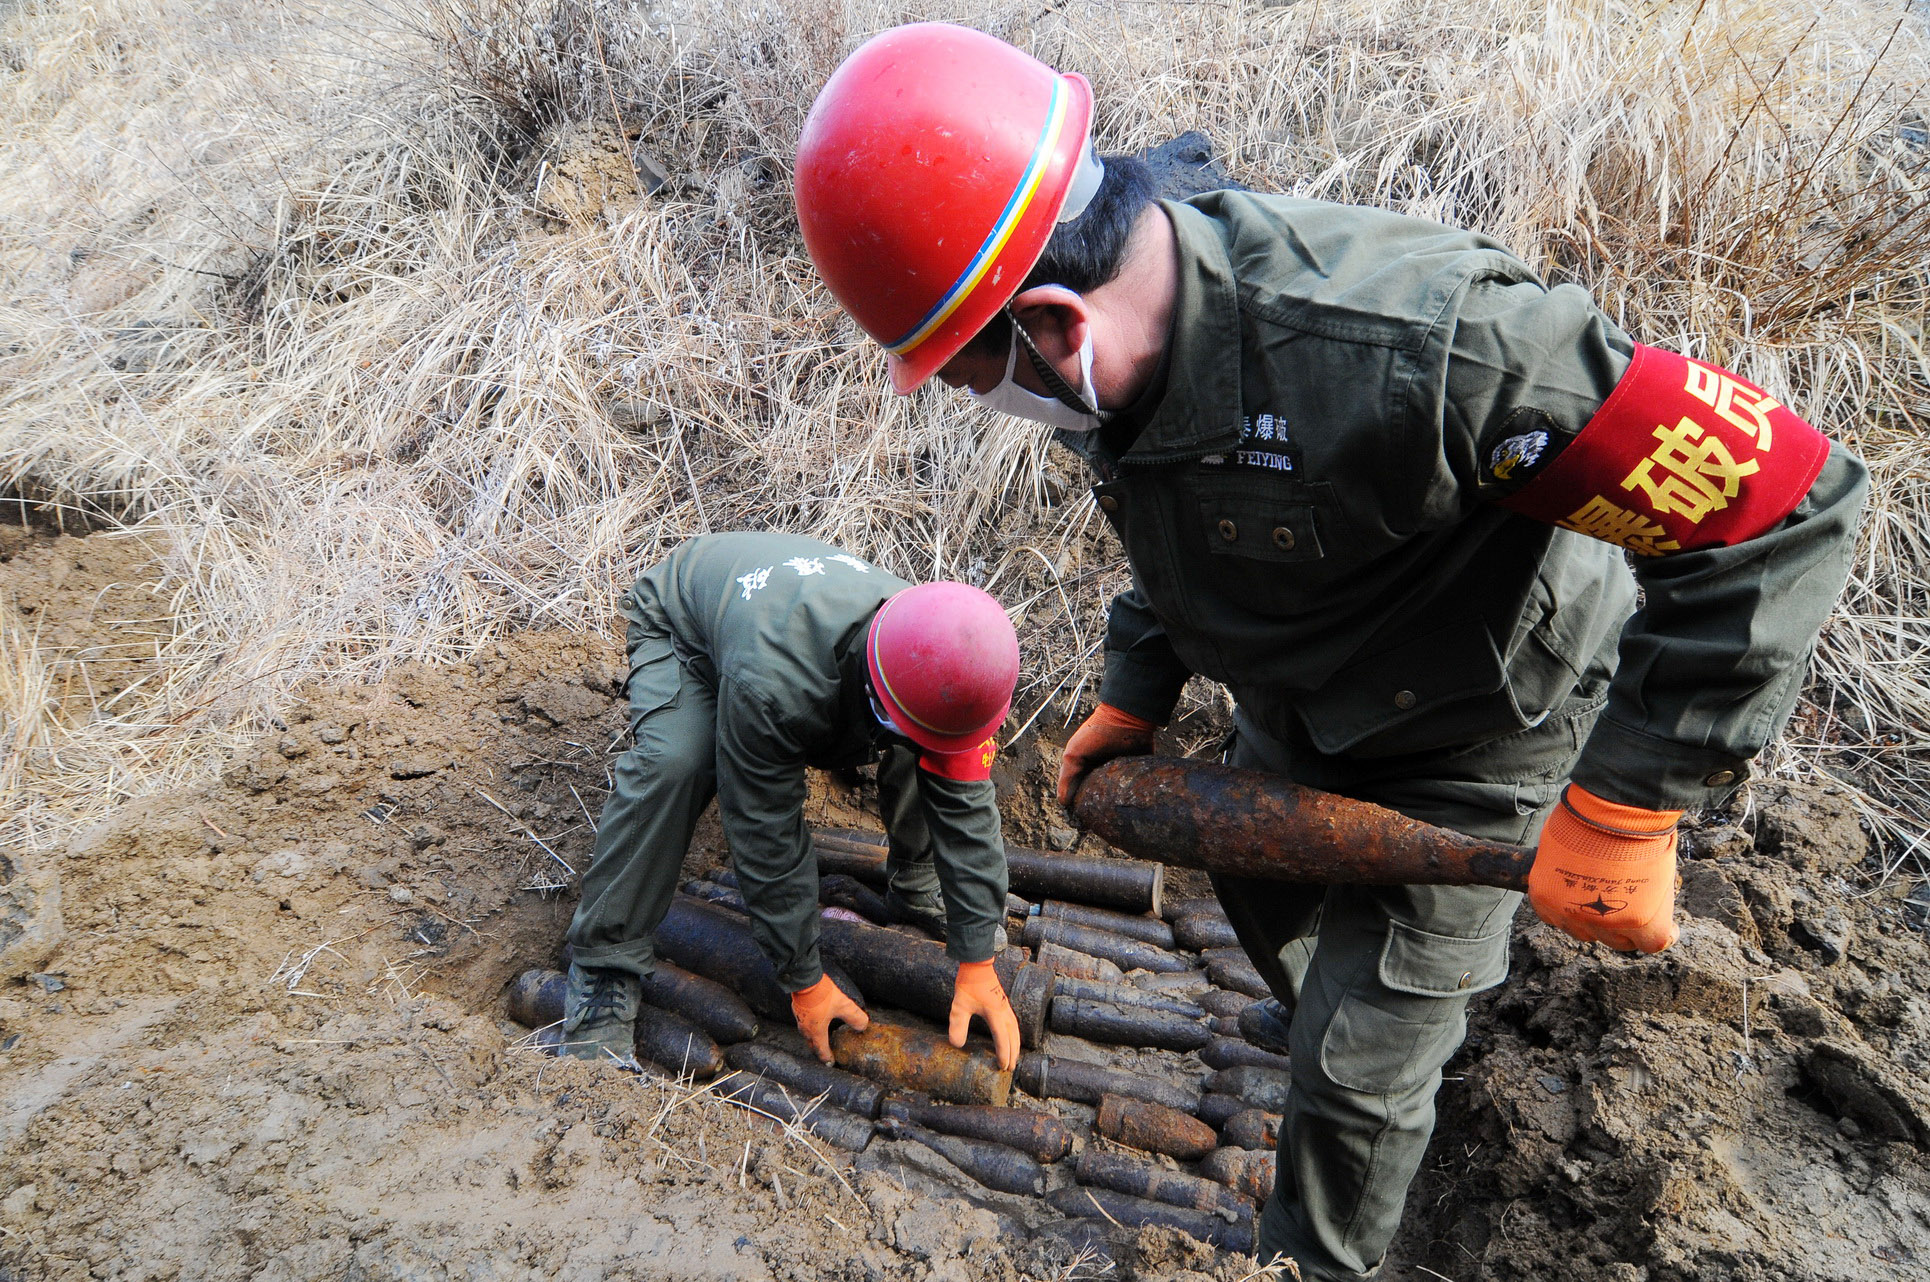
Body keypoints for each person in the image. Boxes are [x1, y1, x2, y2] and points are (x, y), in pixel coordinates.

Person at [793, 23, 1866, 1279]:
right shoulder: (1122, 347)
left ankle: (1314, 1234)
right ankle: (1349, 1033)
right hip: (1303, 703)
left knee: (1354, 1077)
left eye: (972, 373)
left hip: (1480, 731)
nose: (984, 401)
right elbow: (1175, 515)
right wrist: (1136, 693)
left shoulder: (1418, 344)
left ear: (1048, 321)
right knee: (1267, 904)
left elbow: (1786, 506)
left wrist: (1632, 798)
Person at [561, 531, 1024, 1072]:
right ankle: (603, 968)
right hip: (684, 624)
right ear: (875, 691)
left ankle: (919, 881)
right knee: (678, 764)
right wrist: (803, 977)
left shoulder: (939, 649)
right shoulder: (776, 685)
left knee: (923, 743)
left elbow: (967, 801)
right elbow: (763, 826)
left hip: (782, 631)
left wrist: (976, 956)